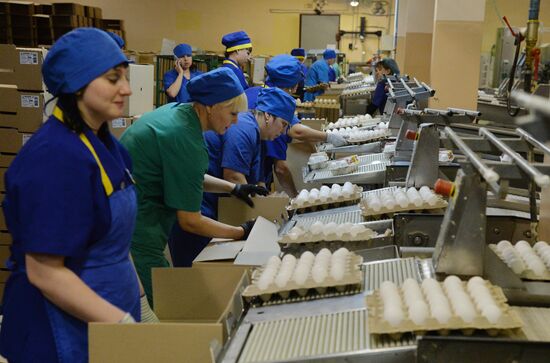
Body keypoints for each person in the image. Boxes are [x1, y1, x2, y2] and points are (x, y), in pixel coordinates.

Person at [0, 28, 140, 363]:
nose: (127, 89)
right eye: (112, 79)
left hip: (108, 312)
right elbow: (45, 272)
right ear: (77, 85)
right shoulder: (54, 159)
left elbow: (115, 243)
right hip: (59, 328)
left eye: (125, 76)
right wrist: (119, 324)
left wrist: (140, 301)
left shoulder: (108, 146)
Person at [120, 67, 264, 305]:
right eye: (232, 113)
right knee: (161, 305)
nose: (236, 120)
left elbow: (188, 175)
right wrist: (241, 232)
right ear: (211, 106)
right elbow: (190, 220)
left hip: (134, 215)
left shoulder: (179, 114)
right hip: (135, 228)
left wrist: (233, 188)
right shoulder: (184, 138)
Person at [168, 87, 295, 267]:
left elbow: (255, 183)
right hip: (196, 202)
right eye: (283, 124)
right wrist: (258, 222)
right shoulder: (244, 128)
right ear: (268, 116)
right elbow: (233, 176)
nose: (282, 132)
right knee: (196, 270)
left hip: (212, 201)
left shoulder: (259, 137)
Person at [245, 54, 347, 197]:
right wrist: (295, 198)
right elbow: (281, 167)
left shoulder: (253, 92)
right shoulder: (273, 112)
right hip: (247, 178)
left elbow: (294, 127)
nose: (295, 90)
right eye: (295, 85)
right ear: (290, 85)